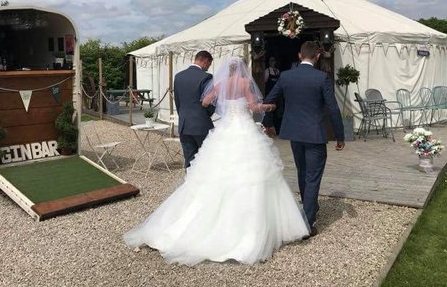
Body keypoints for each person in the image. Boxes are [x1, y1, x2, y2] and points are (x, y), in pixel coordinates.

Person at [124, 56, 309, 265]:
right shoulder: (245, 83)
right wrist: (269, 108)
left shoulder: (220, 83)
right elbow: (253, 105)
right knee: (252, 175)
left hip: (225, 129)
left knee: (215, 173)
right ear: (242, 70)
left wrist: (222, 106)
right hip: (243, 130)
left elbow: (204, 101)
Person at [263, 41, 345, 238]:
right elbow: (333, 108)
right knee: (313, 176)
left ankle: (310, 206)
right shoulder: (321, 78)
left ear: (300, 56)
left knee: (303, 171)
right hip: (315, 134)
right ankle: (306, 224)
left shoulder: (286, 76)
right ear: (317, 56)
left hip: (294, 133)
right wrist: (340, 136)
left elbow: (269, 101)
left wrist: (268, 122)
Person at [173, 50, 215, 168]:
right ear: (205, 61)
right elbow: (209, 102)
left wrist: (183, 116)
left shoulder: (179, 76)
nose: (207, 68)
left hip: (184, 124)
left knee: (189, 161)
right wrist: (207, 114)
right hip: (201, 124)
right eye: (209, 64)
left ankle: (190, 184)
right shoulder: (206, 77)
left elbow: (178, 101)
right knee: (208, 158)